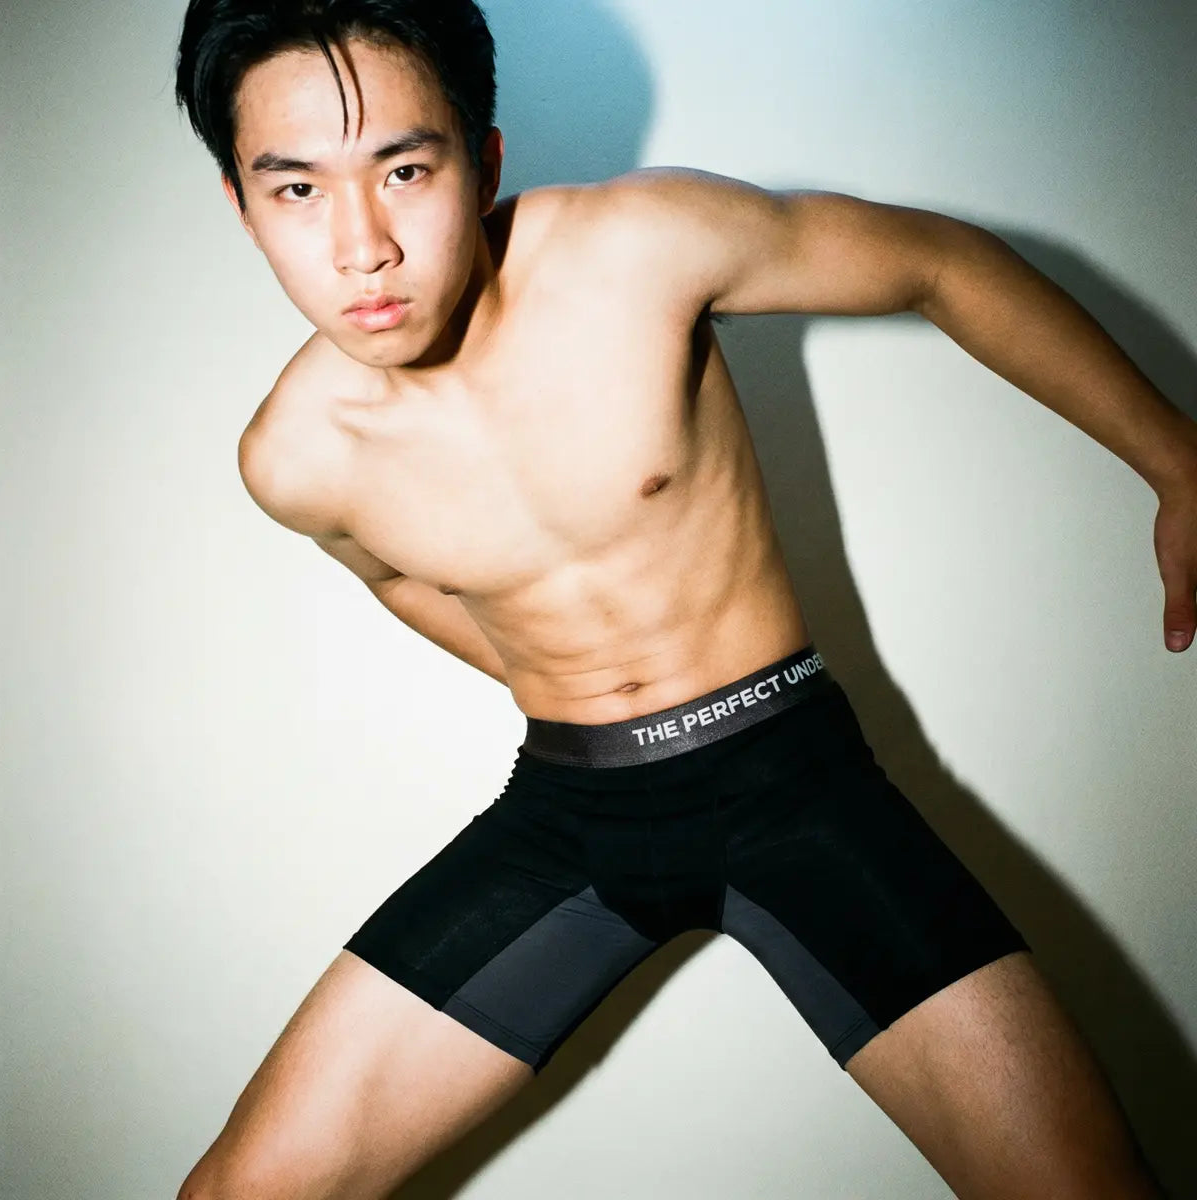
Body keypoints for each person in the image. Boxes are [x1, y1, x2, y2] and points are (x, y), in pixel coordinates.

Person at [172, 2, 1195, 1197]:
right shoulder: (294, 461)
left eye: (404, 169)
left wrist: (1176, 460)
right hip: (566, 821)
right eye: (296, 190)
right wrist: (547, 676)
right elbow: (396, 578)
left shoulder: (640, 248)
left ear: (484, 159)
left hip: (793, 784)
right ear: (241, 207)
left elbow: (934, 263)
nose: (363, 247)